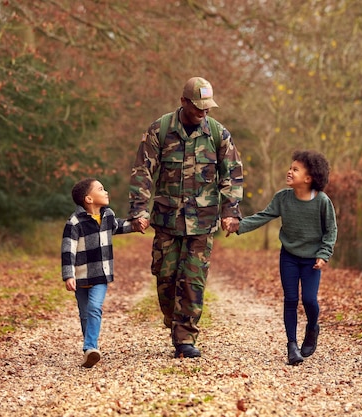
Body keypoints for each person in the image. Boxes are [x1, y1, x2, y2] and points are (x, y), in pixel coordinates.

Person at [129, 76, 244, 358]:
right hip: (167, 221)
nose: (203, 113)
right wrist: (139, 210)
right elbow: (142, 172)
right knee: (166, 279)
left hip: (202, 223)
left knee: (193, 281)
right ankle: (174, 320)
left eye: (207, 109)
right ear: (183, 102)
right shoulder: (160, 129)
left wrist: (231, 211)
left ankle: (185, 338)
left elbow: (232, 174)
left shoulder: (218, 134)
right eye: (198, 108)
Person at [228, 150, 337, 365]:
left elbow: (331, 231)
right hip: (289, 256)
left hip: (312, 259)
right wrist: (239, 226)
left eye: (295, 169)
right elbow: (263, 216)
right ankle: (292, 346)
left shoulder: (322, 202)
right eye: (290, 167)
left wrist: (324, 254)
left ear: (309, 178)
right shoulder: (283, 198)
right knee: (290, 299)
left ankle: (313, 327)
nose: (289, 171)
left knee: (309, 300)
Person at [62, 178, 147, 368]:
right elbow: (68, 250)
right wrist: (69, 275)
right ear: (89, 199)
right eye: (101, 189)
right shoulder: (75, 222)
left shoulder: (108, 215)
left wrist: (135, 225)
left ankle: (91, 346)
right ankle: (88, 351)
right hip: (81, 275)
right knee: (84, 313)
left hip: (101, 274)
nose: (106, 191)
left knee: (94, 308)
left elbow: (118, 226)